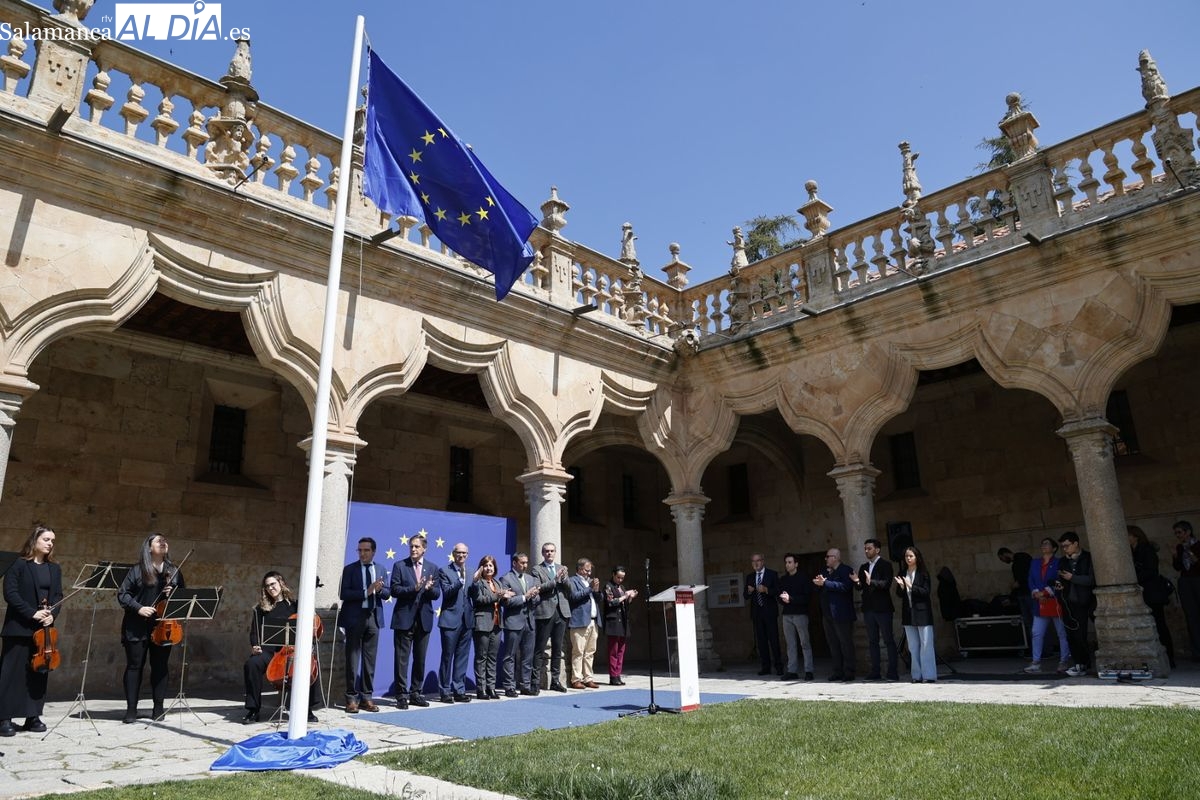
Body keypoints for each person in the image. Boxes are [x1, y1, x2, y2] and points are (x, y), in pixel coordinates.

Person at [0, 525, 62, 737]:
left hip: (43, 629)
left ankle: (32, 716)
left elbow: (57, 596)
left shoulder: (54, 569)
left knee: (38, 674)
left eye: (52, 540)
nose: (50, 543)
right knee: (11, 673)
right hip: (19, 627)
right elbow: (10, 593)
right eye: (46, 539)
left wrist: (53, 614)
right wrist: (31, 613)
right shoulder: (18, 564)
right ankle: (4, 717)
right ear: (34, 540)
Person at [117, 533, 184, 723]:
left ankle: (158, 708)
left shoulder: (173, 570)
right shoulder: (137, 570)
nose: (163, 542)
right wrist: (139, 608)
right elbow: (123, 595)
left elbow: (184, 598)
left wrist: (174, 593)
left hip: (164, 625)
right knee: (134, 666)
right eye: (158, 541)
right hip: (137, 625)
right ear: (148, 548)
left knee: (160, 667)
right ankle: (131, 710)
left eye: (165, 541)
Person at [241, 571, 318, 724]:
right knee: (252, 664)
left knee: (309, 665)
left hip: (291, 651)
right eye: (267, 586)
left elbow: (311, 626)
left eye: (273, 584)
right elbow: (254, 632)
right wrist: (255, 645)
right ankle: (253, 710)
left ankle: (307, 710)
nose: (270, 588)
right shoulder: (260, 609)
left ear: (281, 584)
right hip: (269, 651)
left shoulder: (296, 605)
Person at [338, 536, 388, 714]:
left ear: (373, 552)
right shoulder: (350, 569)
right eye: (360, 550)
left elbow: (387, 593)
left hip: (374, 618)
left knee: (370, 661)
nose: (362, 553)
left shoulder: (380, 568)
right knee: (352, 659)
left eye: (366, 550)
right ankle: (351, 699)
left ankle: (367, 697)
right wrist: (366, 591)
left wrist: (380, 589)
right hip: (354, 618)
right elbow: (343, 593)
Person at [390, 532, 440, 709]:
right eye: (411, 546)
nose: (413, 549)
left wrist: (428, 589)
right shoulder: (400, 566)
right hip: (404, 619)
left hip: (424, 620)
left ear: (424, 549)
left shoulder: (433, 568)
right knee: (401, 659)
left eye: (417, 546)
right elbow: (394, 590)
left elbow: (437, 594)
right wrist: (414, 588)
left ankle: (416, 693)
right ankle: (401, 696)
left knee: (420, 659)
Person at [1128, 525, 1175, 668]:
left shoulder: (1147, 550)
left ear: (1135, 536)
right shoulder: (1132, 552)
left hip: (1152, 593)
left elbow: (1151, 571)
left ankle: (1169, 658)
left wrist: (1133, 578)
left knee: (1159, 624)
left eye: (1128, 535)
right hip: (1141, 594)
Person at [851, 539, 898, 681]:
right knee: (872, 641)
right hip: (869, 609)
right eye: (865, 548)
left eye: (869, 548)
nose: (866, 551)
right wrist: (856, 581)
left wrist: (871, 581)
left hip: (883, 609)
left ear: (877, 550)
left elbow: (886, 584)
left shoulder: (885, 565)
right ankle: (875, 671)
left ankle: (892, 672)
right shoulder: (863, 566)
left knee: (889, 640)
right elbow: (860, 588)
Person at [1025, 537, 1071, 674]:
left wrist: (1045, 593)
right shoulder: (1034, 562)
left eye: (1046, 544)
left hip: (1055, 602)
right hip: (1039, 603)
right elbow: (1030, 579)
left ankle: (1063, 661)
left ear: (1054, 548)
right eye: (1042, 543)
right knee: (1036, 633)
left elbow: (1059, 580)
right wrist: (1036, 593)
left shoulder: (1059, 562)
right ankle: (1035, 663)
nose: (1043, 546)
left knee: (1062, 633)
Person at [469, 555, 513, 699]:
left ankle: (491, 688)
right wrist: (497, 596)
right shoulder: (478, 583)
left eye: (491, 566)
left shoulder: (497, 583)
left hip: (497, 623)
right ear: (481, 568)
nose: (489, 568)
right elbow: (479, 599)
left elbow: (501, 602)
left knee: (493, 658)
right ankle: (481, 689)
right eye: (486, 565)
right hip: (482, 623)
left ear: (495, 568)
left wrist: (506, 598)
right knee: (481, 657)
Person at [436, 543, 474, 704]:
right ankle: (445, 691)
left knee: (462, 657)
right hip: (450, 620)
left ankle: (459, 689)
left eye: (464, 553)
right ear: (453, 554)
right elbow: (447, 592)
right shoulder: (445, 571)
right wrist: (460, 581)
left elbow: (473, 595)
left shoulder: (471, 572)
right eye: (458, 553)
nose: (461, 556)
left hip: (467, 620)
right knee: (447, 657)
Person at [530, 542, 570, 694]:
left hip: (561, 612)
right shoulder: (537, 569)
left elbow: (570, 589)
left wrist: (564, 579)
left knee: (557, 649)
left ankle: (555, 680)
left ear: (555, 552)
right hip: (545, 612)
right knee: (539, 648)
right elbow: (538, 588)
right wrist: (554, 580)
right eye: (546, 551)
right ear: (542, 553)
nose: (549, 554)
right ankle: (535, 682)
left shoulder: (562, 568)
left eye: (552, 551)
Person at [499, 552, 540, 697]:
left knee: (527, 656)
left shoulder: (530, 579)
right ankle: (509, 686)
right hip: (513, 622)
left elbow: (536, 601)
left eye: (526, 562)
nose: (525, 565)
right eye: (522, 562)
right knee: (510, 656)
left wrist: (534, 597)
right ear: (514, 563)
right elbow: (506, 602)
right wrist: (524, 597)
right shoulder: (506, 579)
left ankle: (525, 685)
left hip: (530, 622)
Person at [813, 548, 856, 682]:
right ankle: (837, 671)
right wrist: (818, 583)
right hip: (827, 614)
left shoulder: (846, 570)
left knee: (845, 643)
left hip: (842, 613)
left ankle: (849, 672)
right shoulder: (824, 572)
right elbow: (816, 588)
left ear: (836, 557)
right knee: (833, 644)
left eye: (828, 557)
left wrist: (826, 583)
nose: (825, 559)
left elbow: (845, 587)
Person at [1056, 531, 1095, 677]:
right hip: (1068, 602)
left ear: (1076, 544)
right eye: (1062, 547)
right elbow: (1059, 577)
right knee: (1071, 635)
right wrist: (1059, 584)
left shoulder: (1088, 557)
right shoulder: (1063, 561)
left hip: (1085, 601)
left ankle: (1084, 664)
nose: (1065, 549)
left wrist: (1073, 578)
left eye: (1067, 546)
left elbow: (1091, 580)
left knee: (1080, 634)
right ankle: (1079, 664)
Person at [895, 546, 936, 683]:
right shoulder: (902, 572)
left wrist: (911, 586)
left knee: (926, 644)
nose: (908, 558)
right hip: (909, 613)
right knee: (913, 646)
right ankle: (916, 675)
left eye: (911, 556)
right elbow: (899, 594)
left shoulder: (923, 573)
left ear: (917, 557)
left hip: (923, 613)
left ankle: (929, 675)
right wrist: (902, 587)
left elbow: (925, 592)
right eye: (906, 556)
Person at [744, 553, 783, 676]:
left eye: (758, 561)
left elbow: (777, 591)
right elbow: (745, 596)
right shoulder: (750, 577)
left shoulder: (772, 574)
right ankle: (765, 667)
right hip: (757, 613)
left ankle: (779, 666)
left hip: (770, 613)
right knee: (761, 642)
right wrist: (749, 591)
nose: (756, 563)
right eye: (753, 561)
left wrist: (766, 590)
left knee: (774, 640)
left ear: (763, 561)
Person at [566, 558, 602, 689]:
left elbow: (598, 599)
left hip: (593, 621)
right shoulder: (572, 581)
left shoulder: (589, 582)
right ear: (580, 569)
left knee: (590, 652)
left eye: (590, 570)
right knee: (578, 651)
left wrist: (597, 590)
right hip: (579, 622)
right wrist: (590, 589)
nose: (589, 573)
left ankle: (588, 678)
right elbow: (573, 597)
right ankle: (576, 679)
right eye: (587, 570)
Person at [777, 553, 814, 681]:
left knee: (805, 643)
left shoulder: (803, 578)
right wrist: (784, 599)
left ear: (796, 564)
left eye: (790, 562)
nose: (787, 565)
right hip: (787, 615)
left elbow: (807, 597)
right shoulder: (783, 580)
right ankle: (792, 670)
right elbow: (779, 597)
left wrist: (791, 598)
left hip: (800, 614)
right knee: (790, 644)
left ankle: (809, 670)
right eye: (786, 562)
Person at [603, 565, 637, 685]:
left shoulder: (621, 587)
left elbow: (624, 604)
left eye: (622, 578)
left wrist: (630, 598)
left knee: (621, 650)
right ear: (613, 574)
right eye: (618, 577)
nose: (620, 580)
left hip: (622, 621)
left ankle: (618, 674)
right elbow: (611, 602)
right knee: (613, 650)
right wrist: (625, 596)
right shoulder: (608, 586)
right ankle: (613, 676)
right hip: (613, 622)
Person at [1172, 520, 1200, 661]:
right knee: (1191, 616)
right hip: (1185, 581)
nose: (1178, 536)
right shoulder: (1179, 548)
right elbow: (1177, 567)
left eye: (1180, 532)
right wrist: (1176, 556)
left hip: (1198, 579)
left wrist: (1191, 554)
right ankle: (1197, 651)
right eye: (1176, 533)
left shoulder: (1198, 545)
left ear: (1188, 532)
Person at [997, 547, 1034, 641]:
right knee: (1028, 622)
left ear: (1005, 554)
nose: (1003, 561)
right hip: (1023, 594)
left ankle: (1044, 649)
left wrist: (1020, 582)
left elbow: (1028, 575)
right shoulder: (1015, 565)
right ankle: (1036, 648)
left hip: (1029, 593)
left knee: (1034, 621)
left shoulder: (1023, 558)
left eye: (1002, 559)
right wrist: (1011, 597)